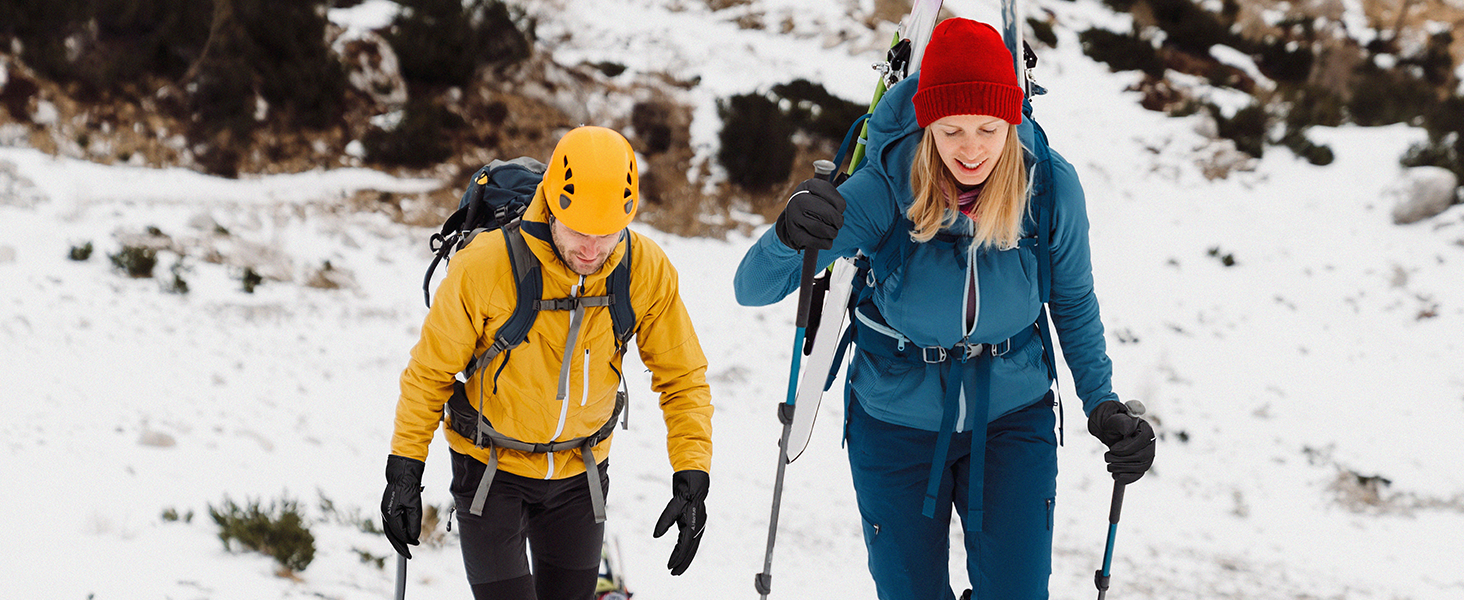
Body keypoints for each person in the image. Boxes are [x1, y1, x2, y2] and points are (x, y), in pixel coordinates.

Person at [733, 18, 1154, 600]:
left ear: (1012, 119)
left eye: (988, 128)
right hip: (895, 421)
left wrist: (1102, 403)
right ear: (928, 123)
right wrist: (788, 232)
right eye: (952, 130)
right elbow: (751, 287)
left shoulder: (1050, 187)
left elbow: (1073, 301)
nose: (972, 149)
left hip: (1013, 416)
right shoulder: (885, 186)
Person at [382, 126, 714, 600]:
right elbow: (429, 374)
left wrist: (692, 475)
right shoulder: (485, 265)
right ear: (553, 205)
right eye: (579, 231)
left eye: (607, 235)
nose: (592, 251)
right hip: (490, 472)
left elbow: (683, 377)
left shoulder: (643, 269)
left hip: (581, 475)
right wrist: (405, 469)